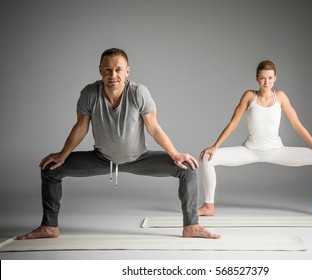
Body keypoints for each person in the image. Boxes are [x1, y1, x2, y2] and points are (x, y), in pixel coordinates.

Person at [17, 48, 220, 240]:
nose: (112, 74)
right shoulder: (89, 93)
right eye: (107, 69)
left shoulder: (139, 92)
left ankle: (191, 226)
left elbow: (154, 127)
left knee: (188, 169)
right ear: (100, 70)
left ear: (127, 71)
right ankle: (49, 226)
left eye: (118, 69)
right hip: (101, 159)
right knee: (51, 169)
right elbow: (80, 127)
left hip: (139, 158)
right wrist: (63, 154)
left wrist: (175, 154)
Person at [198, 60, 312, 217]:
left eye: (269, 78)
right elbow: (233, 124)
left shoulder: (280, 97)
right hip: (250, 150)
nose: (266, 82)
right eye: (262, 78)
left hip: (276, 151)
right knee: (208, 158)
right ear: (257, 78)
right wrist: (215, 146)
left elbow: (297, 124)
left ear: (275, 78)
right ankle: (208, 206)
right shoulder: (249, 96)